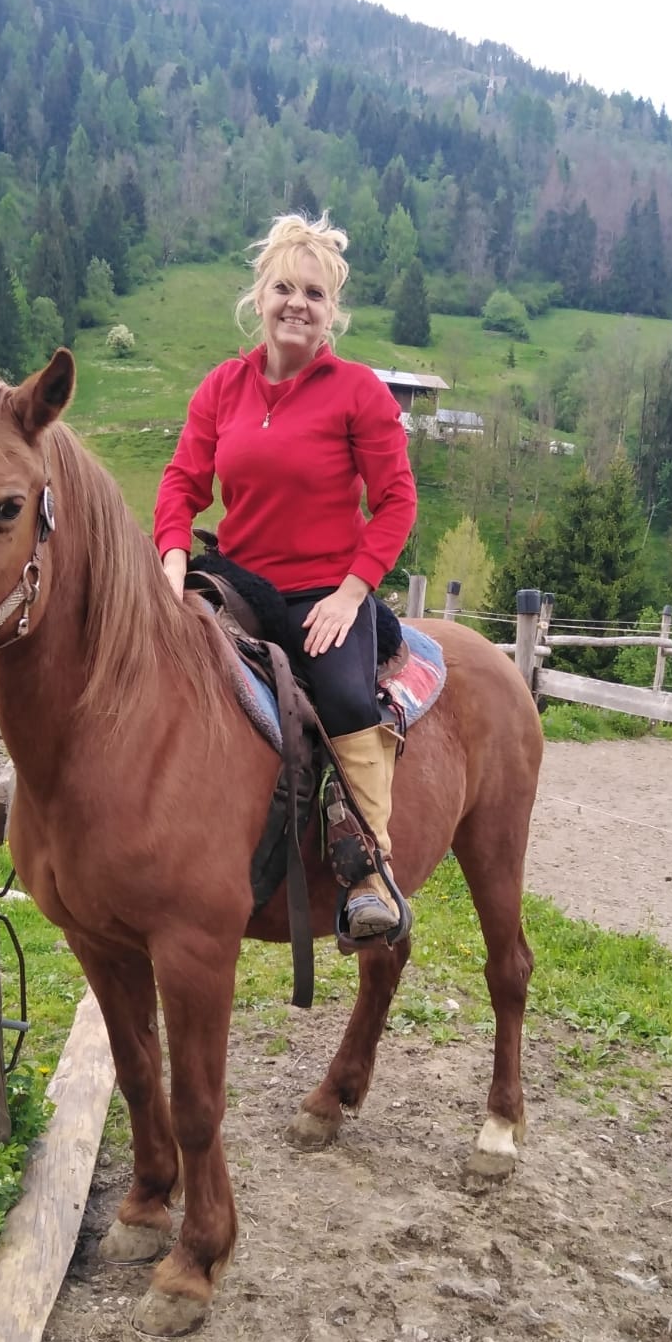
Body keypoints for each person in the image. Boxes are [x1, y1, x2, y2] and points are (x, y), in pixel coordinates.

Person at [154, 211, 418, 938]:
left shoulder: (358, 392)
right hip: (237, 583)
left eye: (314, 293)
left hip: (327, 593)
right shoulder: (222, 387)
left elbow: (397, 500)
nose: (296, 304)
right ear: (259, 297)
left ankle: (369, 870)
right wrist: (172, 561)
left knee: (343, 696)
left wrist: (352, 593)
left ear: (333, 312)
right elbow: (181, 483)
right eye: (283, 289)